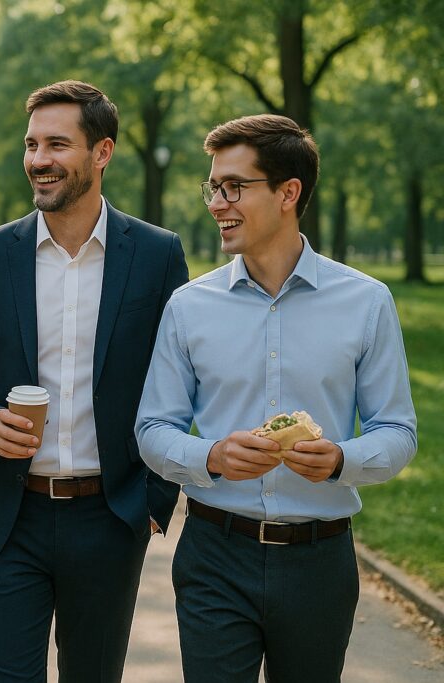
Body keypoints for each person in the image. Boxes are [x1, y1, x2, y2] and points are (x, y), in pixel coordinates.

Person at [135, 114, 417, 682]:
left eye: (234, 187)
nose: (217, 202)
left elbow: (398, 431)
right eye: (214, 187)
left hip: (320, 560)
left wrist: (343, 460)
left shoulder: (366, 302)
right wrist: (210, 456)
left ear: (289, 193)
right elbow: (153, 428)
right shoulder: (189, 306)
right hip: (215, 553)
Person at [0, 80, 188, 682]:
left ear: (102, 153)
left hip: (110, 518)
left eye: (57, 144)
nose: (38, 160)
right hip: (6, 516)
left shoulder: (156, 255)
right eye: (31, 145)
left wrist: (155, 499)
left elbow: (182, 381)